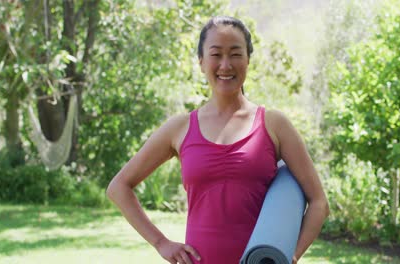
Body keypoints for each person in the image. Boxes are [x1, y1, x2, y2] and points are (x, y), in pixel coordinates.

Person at [106, 16, 329, 264]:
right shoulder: (179, 129)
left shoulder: (274, 124)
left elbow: (319, 202)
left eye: (235, 54)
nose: (226, 65)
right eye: (216, 54)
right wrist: (161, 243)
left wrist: (291, 255)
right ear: (201, 62)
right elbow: (119, 187)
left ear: (247, 60)